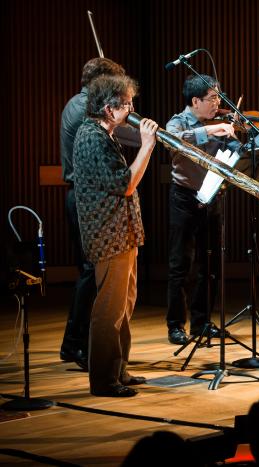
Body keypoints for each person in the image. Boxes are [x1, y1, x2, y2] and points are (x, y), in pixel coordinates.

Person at [165, 75, 259, 345]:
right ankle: (176, 325)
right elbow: (172, 141)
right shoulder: (177, 122)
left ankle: (202, 323)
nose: (218, 104)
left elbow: (245, 155)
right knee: (181, 264)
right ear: (195, 101)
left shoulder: (224, 125)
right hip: (185, 198)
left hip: (212, 197)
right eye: (213, 98)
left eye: (218, 97)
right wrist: (210, 131)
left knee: (211, 264)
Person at [73, 74, 157, 397]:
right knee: (108, 310)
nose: (132, 110)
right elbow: (126, 184)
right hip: (109, 236)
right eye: (127, 105)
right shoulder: (92, 138)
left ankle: (118, 369)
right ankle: (104, 380)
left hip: (123, 235)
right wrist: (147, 146)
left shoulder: (103, 134)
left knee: (124, 306)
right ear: (109, 109)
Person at [59, 57, 140, 370]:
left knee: (101, 284)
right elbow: (123, 183)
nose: (130, 109)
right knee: (94, 280)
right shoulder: (87, 118)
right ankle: (80, 348)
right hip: (93, 206)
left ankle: (93, 353)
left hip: (95, 203)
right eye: (124, 99)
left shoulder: (91, 117)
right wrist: (150, 138)